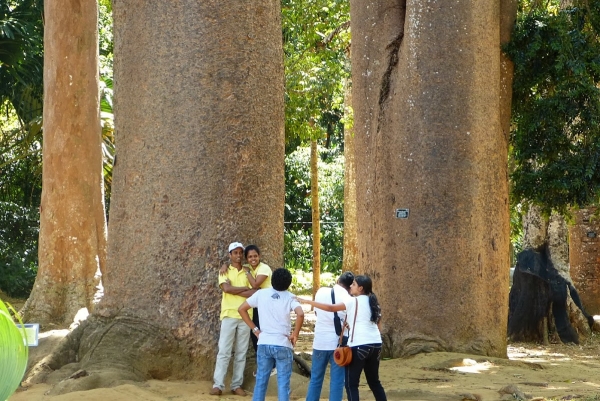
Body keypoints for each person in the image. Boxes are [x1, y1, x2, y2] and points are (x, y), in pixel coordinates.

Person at [298, 275, 386, 401]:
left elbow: (330, 308)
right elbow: (379, 325)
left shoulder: (352, 301)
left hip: (358, 345)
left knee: (351, 384)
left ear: (360, 288)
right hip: (376, 344)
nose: (351, 286)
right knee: (374, 382)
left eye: (354, 284)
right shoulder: (373, 302)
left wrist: (307, 301)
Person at [238, 268, 304, 401]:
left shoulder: (261, 294)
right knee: (283, 384)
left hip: (264, 342)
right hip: (283, 344)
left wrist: (255, 330)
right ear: (288, 283)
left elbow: (241, 309)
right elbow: (300, 314)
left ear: (272, 280)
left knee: (261, 380)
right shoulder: (290, 297)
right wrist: (295, 334)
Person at [210, 242, 257, 397]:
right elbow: (226, 289)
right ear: (230, 255)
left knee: (241, 352)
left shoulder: (248, 271)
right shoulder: (224, 271)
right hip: (229, 314)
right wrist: (245, 289)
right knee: (224, 351)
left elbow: (254, 293)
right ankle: (218, 385)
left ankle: (236, 384)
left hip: (245, 316)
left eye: (240, 253)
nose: (238, 255)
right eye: (235, 253)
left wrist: (235, 290)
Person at [305, 271, 355, 401]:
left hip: (320, 342)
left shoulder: (321, 291)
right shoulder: (349, 299)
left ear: (338, 281)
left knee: (315, 378)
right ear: (351, 286)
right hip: (338, 345)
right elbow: (349, 322)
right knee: (337, 381)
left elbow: (317, 313)